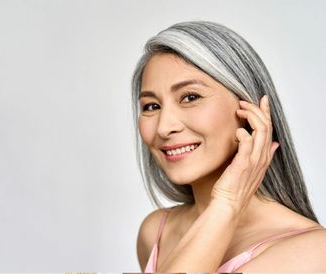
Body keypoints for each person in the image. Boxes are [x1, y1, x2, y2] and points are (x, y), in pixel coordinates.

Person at [131, 21, 326, 272]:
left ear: (249, 110)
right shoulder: (156, 232)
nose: (163, 127)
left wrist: (227, 203)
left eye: (190, 97)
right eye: (151, 106)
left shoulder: (312, 252)